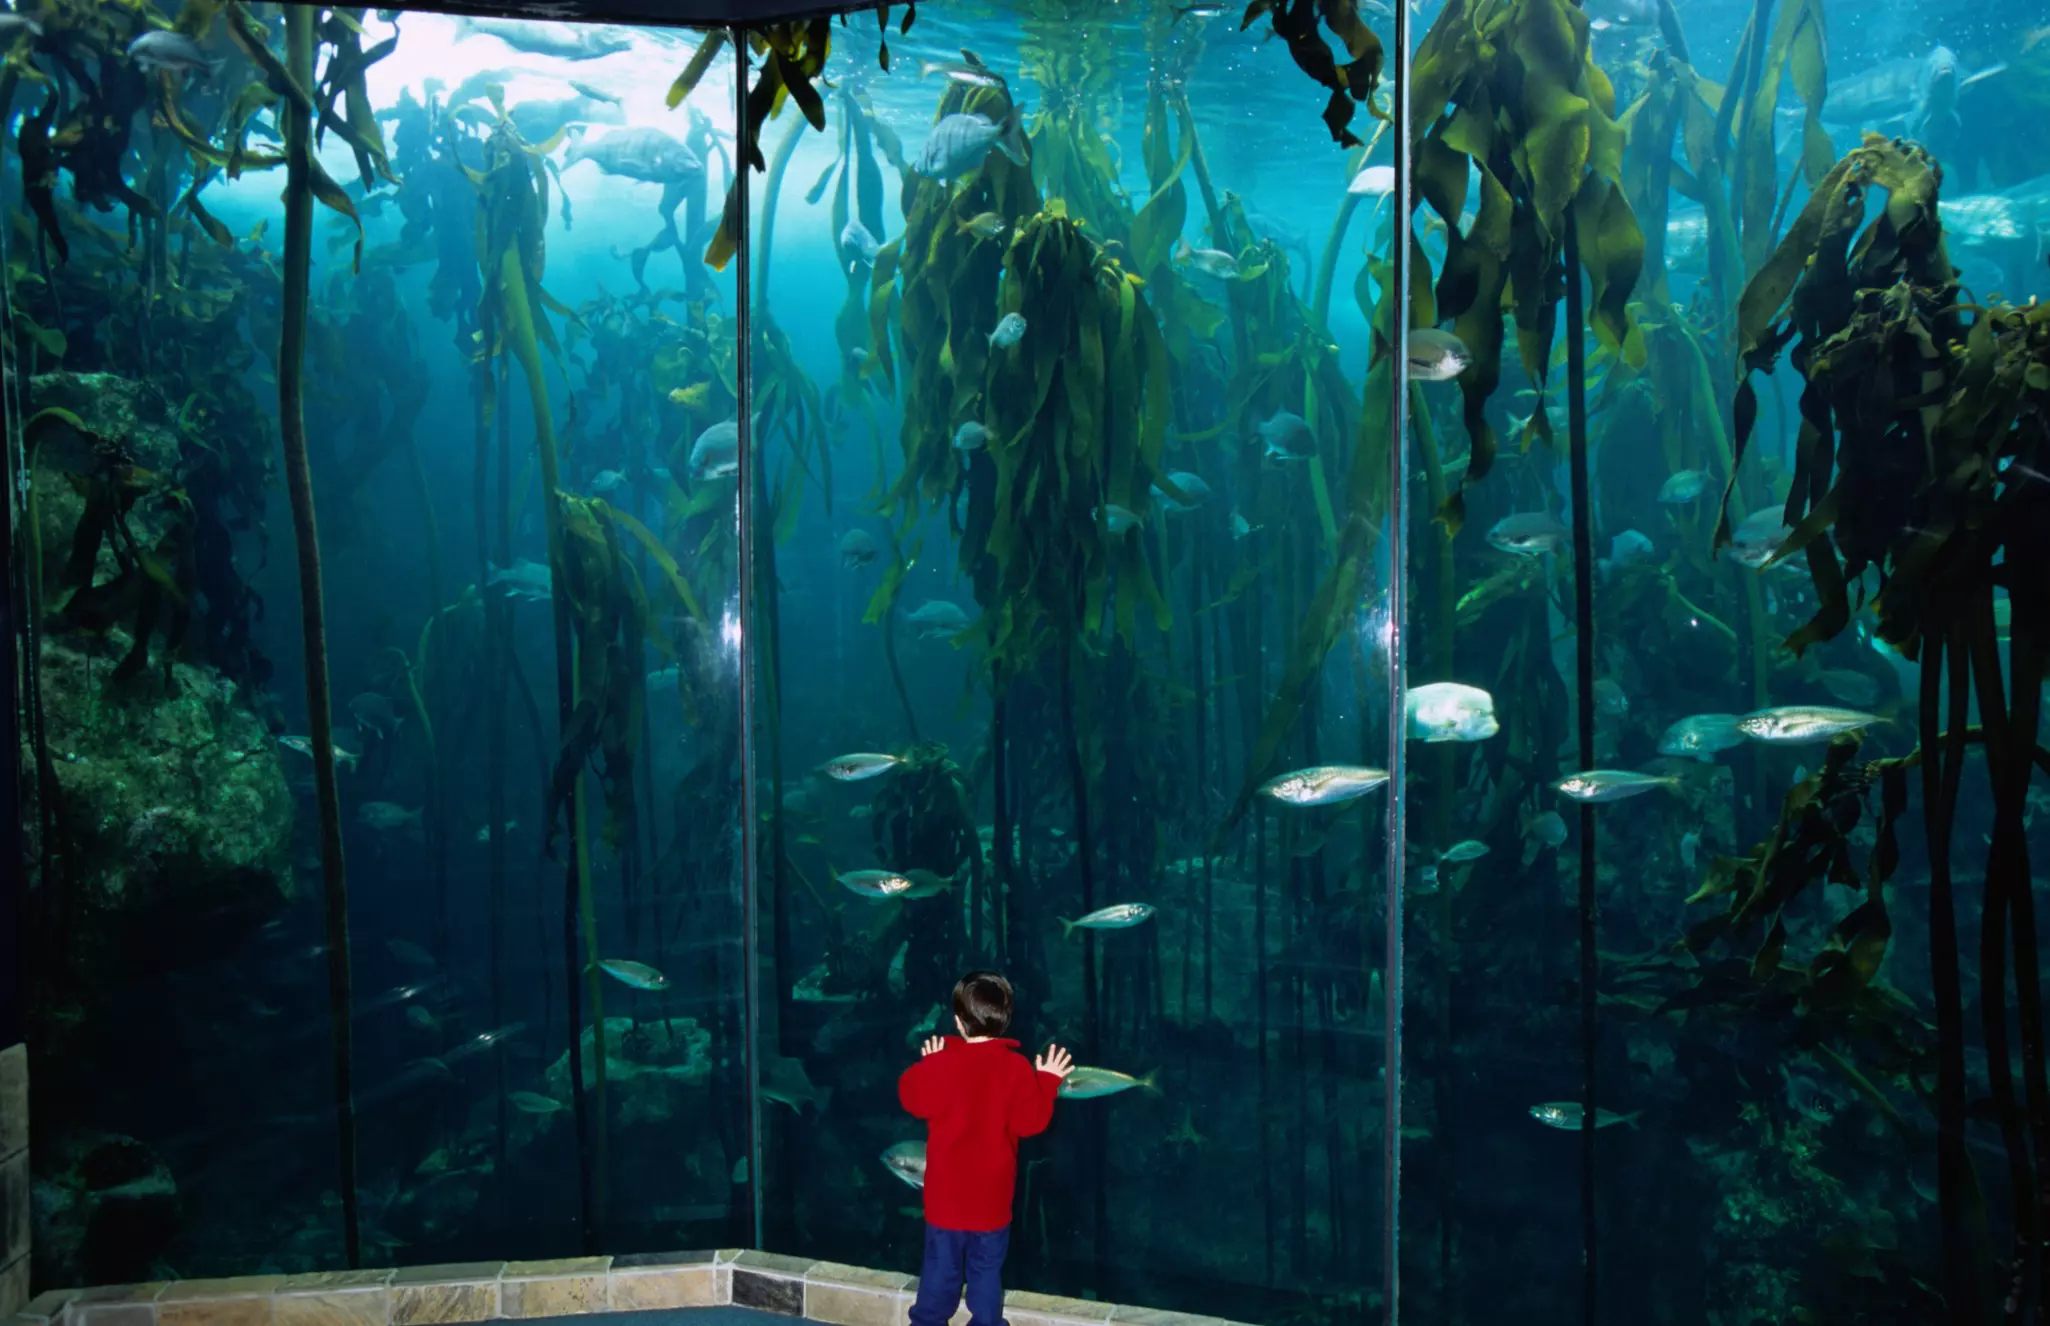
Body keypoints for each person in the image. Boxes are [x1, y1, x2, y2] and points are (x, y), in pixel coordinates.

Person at [899, 971, 1074, 1326]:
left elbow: (912, 1098)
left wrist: (929, 1065)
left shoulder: (945, 1063)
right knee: (986, 1273)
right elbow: (1032, 1123)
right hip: (991, 1202)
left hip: (946, 1200)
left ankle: (927, 1322)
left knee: (939, 1270)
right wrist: (1049, 1081)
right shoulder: (1017, 1068)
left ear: (959, 1022)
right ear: (1006, 1020)